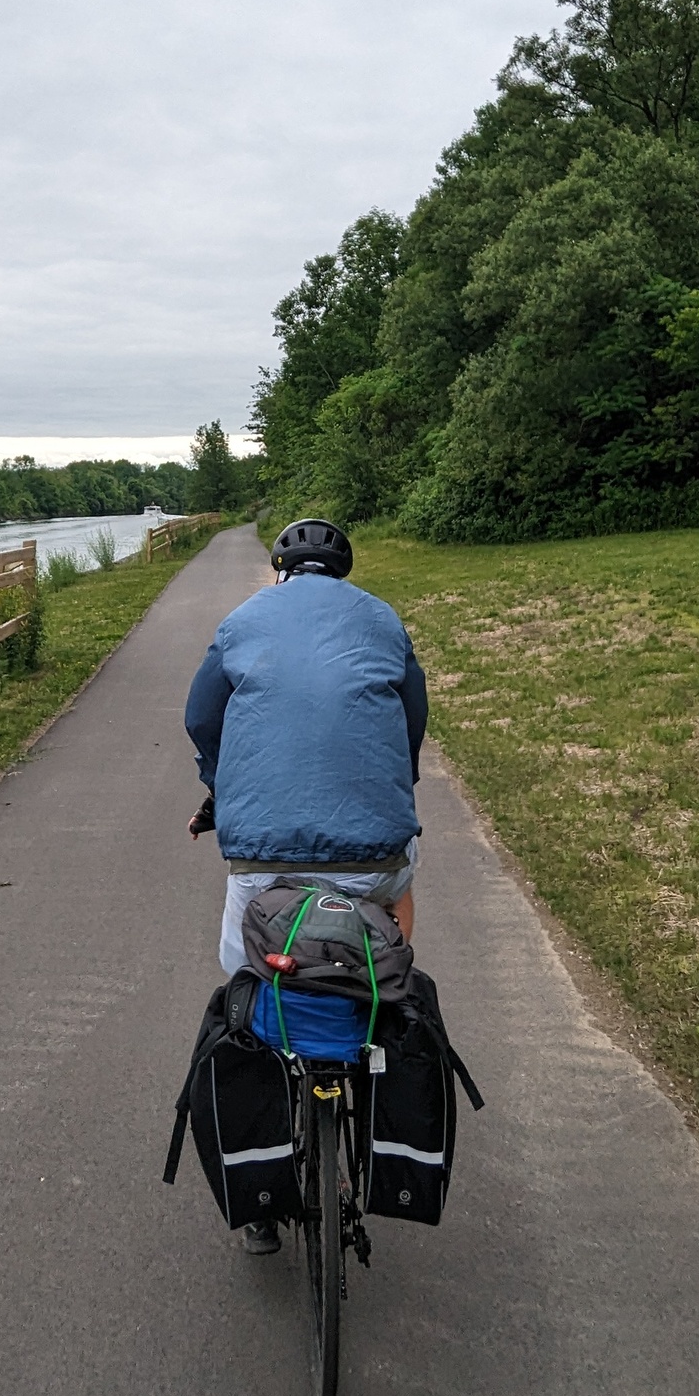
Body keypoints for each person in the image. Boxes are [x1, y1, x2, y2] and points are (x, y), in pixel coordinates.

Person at [184, 515, 428, 1253]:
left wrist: (218, 788)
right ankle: (379, 1000)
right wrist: (394, 784)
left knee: (242, 984)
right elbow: (411, 721)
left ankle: (260, 1203)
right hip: (374, 850)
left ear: (280, 570)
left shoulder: (242, 622)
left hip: (263, 859)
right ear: (343, 572)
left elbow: (202, 720)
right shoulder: (383, 621)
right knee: (396, 887)